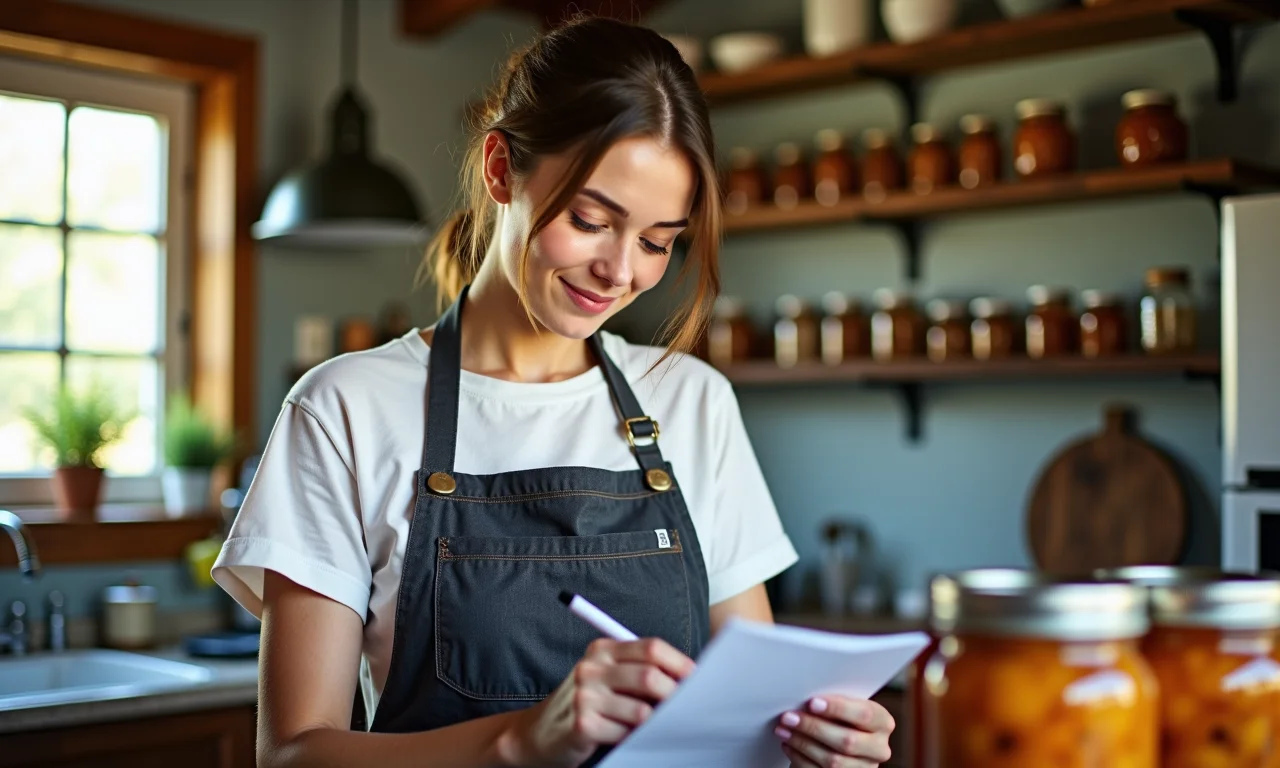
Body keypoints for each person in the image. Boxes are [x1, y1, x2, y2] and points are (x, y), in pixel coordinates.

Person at [212, 15, 895, 768]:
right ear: (501, 170)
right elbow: (293, 756)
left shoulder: (691, 401)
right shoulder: (345, 408)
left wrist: (815, 742)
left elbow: (749, 721)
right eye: (591, 220)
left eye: (657, 242)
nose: (620, 271)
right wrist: (523, 741)